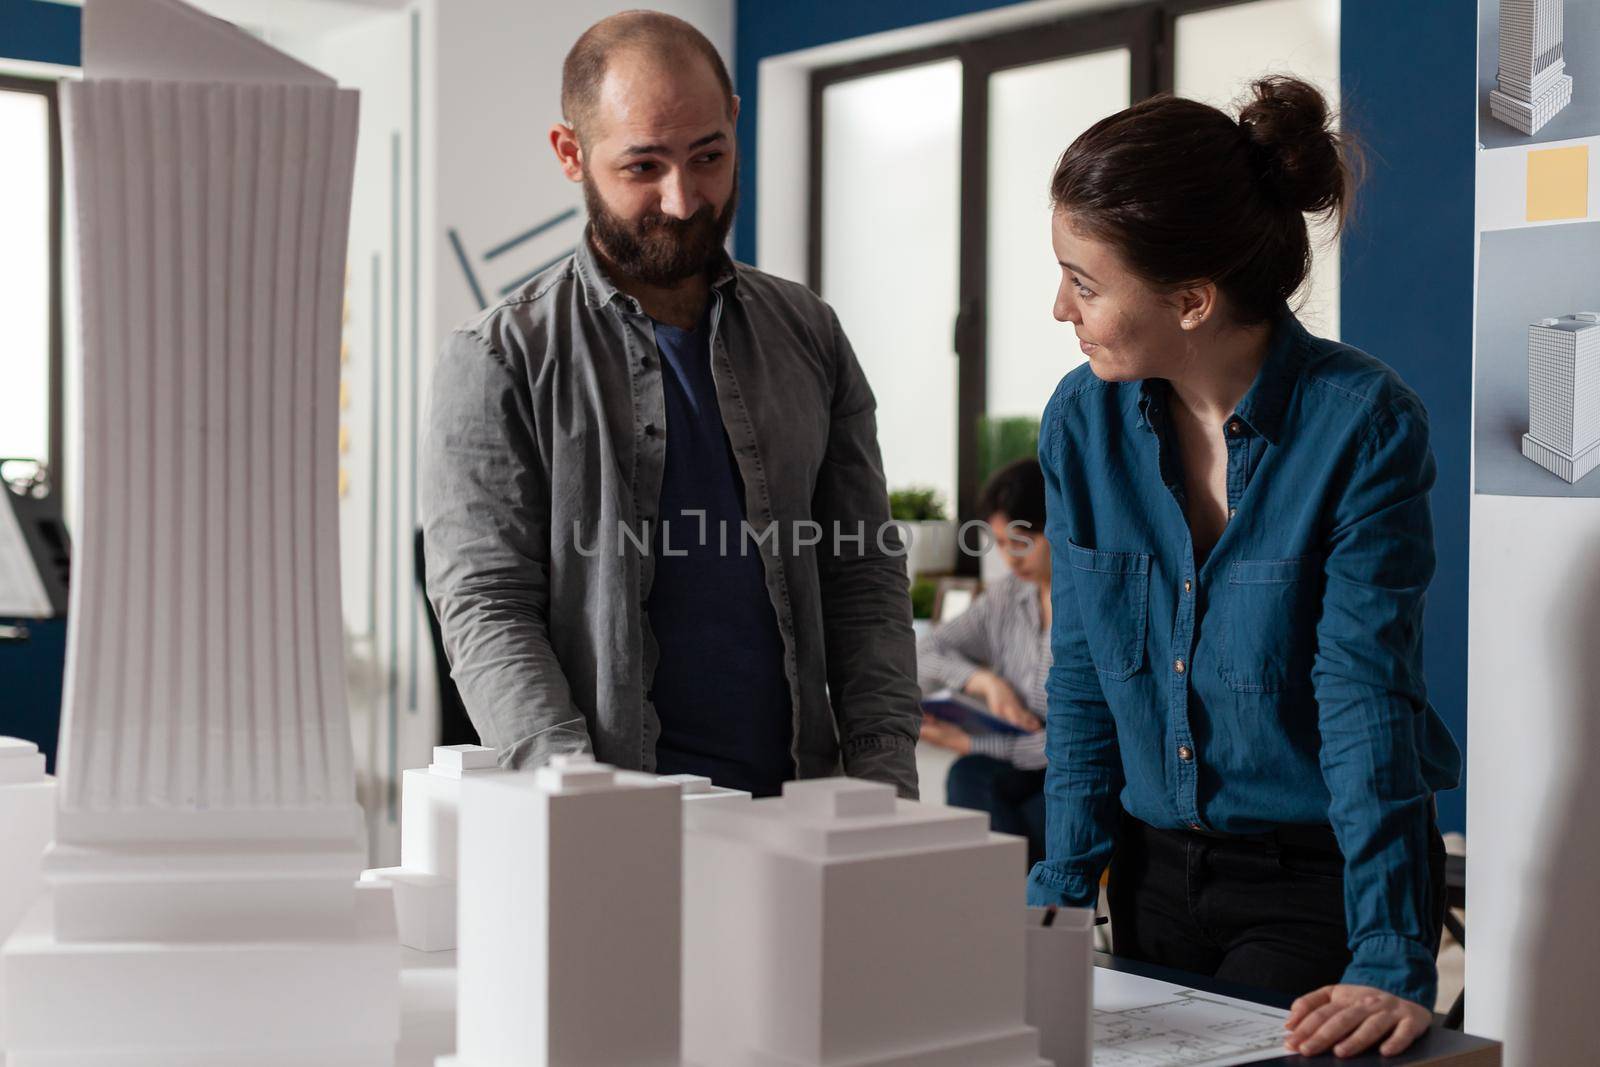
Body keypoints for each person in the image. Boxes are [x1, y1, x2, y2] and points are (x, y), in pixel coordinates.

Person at [1025, 76, 1462, 1060]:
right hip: (1146, 876)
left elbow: (1363, 696)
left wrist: (1392, 956)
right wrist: (1050, 908)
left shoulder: (1362, 424)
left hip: (1309, 884)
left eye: (1084, 282)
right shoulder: (1078, 421)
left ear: (1189, 299)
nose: (1060, 307)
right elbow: (1087, 678)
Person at [422, 12, 920, 799]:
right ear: (570, 154)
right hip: (611, 819)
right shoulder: (499, 357)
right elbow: (485, 605)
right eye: (643, 166)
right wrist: (577, 799)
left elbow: (860, 571)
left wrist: (885, 783)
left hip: (800, 808)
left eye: (708, 156)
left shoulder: (811, 333)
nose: (684, 200)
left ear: (735, 123)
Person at [916, 458, 1052, 865]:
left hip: (1072, 769)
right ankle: (1017, 912)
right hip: (1018, 760)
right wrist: (984, 682)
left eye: (1022, 542)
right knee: (968, 777)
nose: (1010, 559)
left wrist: (971, 742)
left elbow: (1077, 745)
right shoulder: (1007, 596)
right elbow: (924, 652)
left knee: (1038, 818)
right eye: (1002, 545)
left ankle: (1003, 910)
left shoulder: (1092, 605)